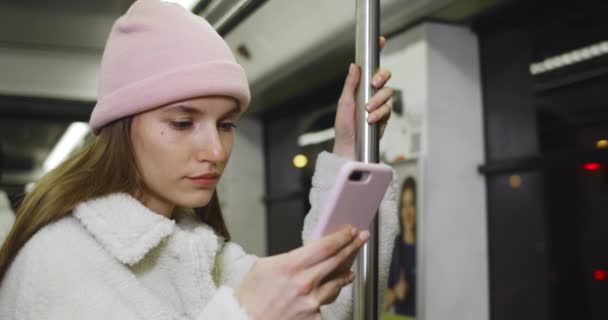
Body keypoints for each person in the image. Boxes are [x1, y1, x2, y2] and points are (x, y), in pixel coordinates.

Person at [0, 1, 399, 319]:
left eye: (225, 125)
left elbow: (329, 305)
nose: (215, 151)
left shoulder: (201, 254)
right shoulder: (58, 262)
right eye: (182, 122)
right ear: (121, 128)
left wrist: (349, 152)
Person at [384, 177, 417, 318]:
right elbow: (384, 302)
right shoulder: (395, 246)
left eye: (412, 205)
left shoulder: (428, 246)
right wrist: (395, 293)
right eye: (404, 205)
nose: (407, 212)